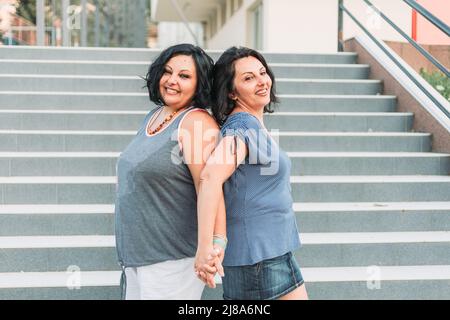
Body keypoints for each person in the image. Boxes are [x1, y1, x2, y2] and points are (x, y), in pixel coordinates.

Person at [195, 46, 309, 300]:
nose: (261, 81)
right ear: (232, 92)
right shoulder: (241, 127)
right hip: (258, 261)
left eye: (262, 72)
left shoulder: (252, 124)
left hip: (272, 253)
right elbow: (210, 177)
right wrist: (206, 246)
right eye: (248, 78)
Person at [115, 43, 225, 300]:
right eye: (168, 72)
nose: (172, 80)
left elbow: (210, 186)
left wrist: (214, 243)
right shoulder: (154, 116)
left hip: (173, 262)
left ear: (199, 85)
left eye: (184, 76)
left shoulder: (196, 122)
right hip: (139, 257)